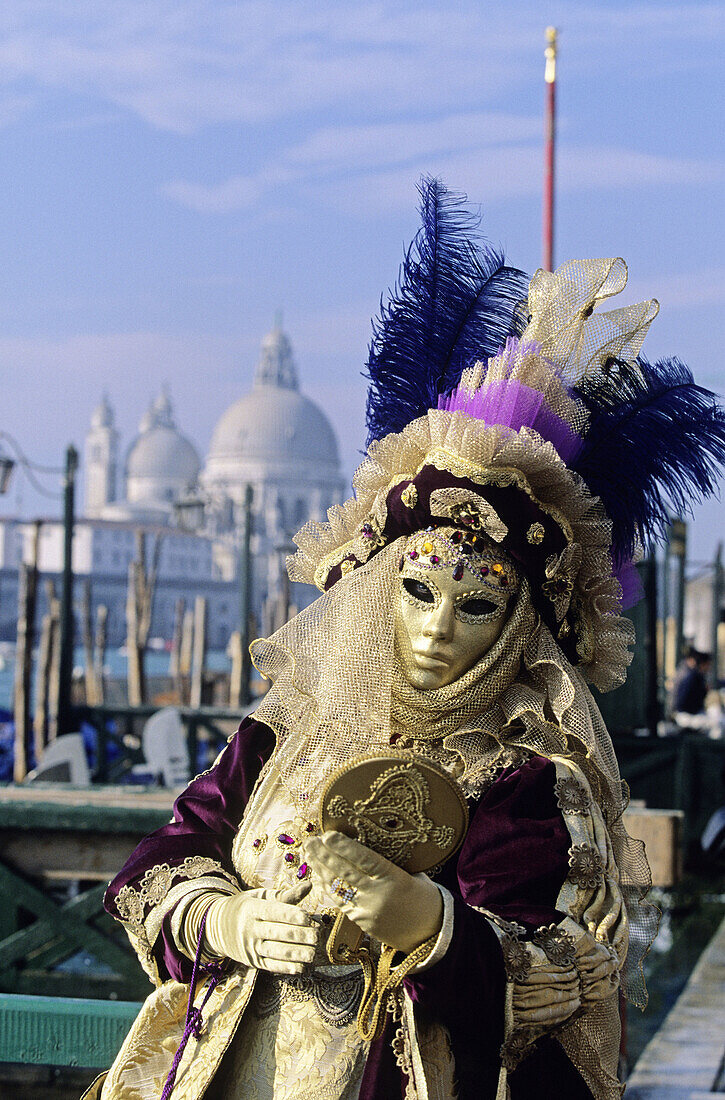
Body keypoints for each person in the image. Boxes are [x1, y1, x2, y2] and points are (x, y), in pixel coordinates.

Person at [86, 181, 725, 1100]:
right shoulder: (286, 734)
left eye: (476, 607)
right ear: (376, 589)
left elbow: (558, 980)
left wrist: (429, 923)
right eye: (416, 591)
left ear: (518, 629)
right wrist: (227, 922)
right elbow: (160, 861)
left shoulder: (525, 777)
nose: (434, 628)